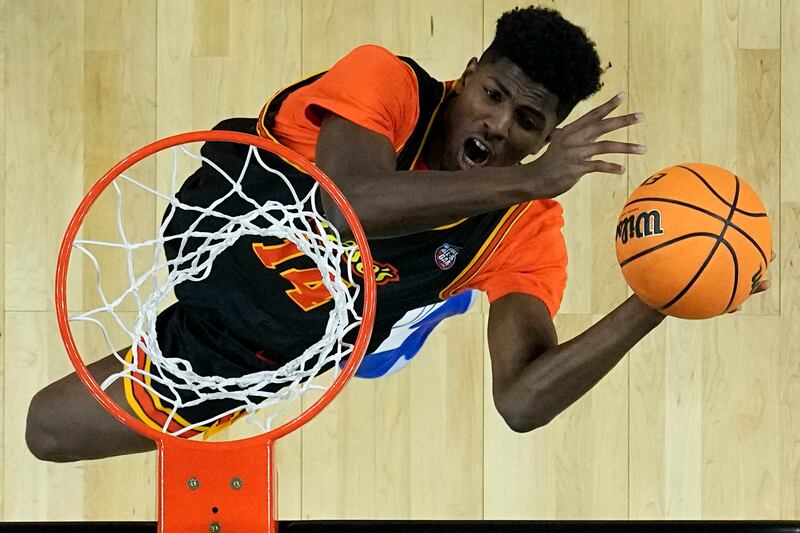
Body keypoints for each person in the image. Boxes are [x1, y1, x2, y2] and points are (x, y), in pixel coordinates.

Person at [26, 6, 769, 462]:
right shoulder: (384, 81)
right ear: (467, 73)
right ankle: (420, 304)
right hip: (216, 230)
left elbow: (520, 402)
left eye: (528, 123)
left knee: (51, 428)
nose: (498, 125)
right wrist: (533, 177)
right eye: (494, 94)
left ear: (548, 136)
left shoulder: (527, 228)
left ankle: (412, 312)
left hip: (268, 347)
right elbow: (349, 201)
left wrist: (664, 294)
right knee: (43, 434)